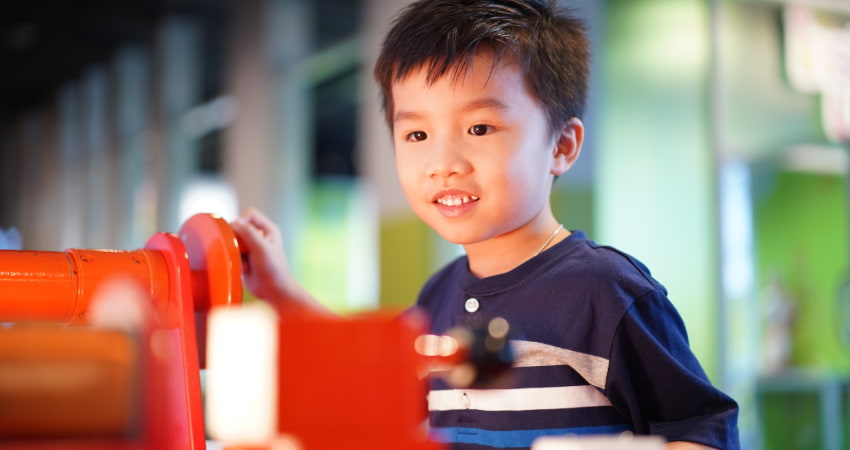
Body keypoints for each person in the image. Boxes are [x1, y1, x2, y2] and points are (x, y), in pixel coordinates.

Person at [230, 0, 740, 449]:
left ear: (561, 145)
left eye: (479, 127)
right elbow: (372, 370)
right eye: (416, 135)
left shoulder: (608, 293)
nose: (443, 161)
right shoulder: (437, 296)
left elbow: (704, 431)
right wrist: (282, 292)